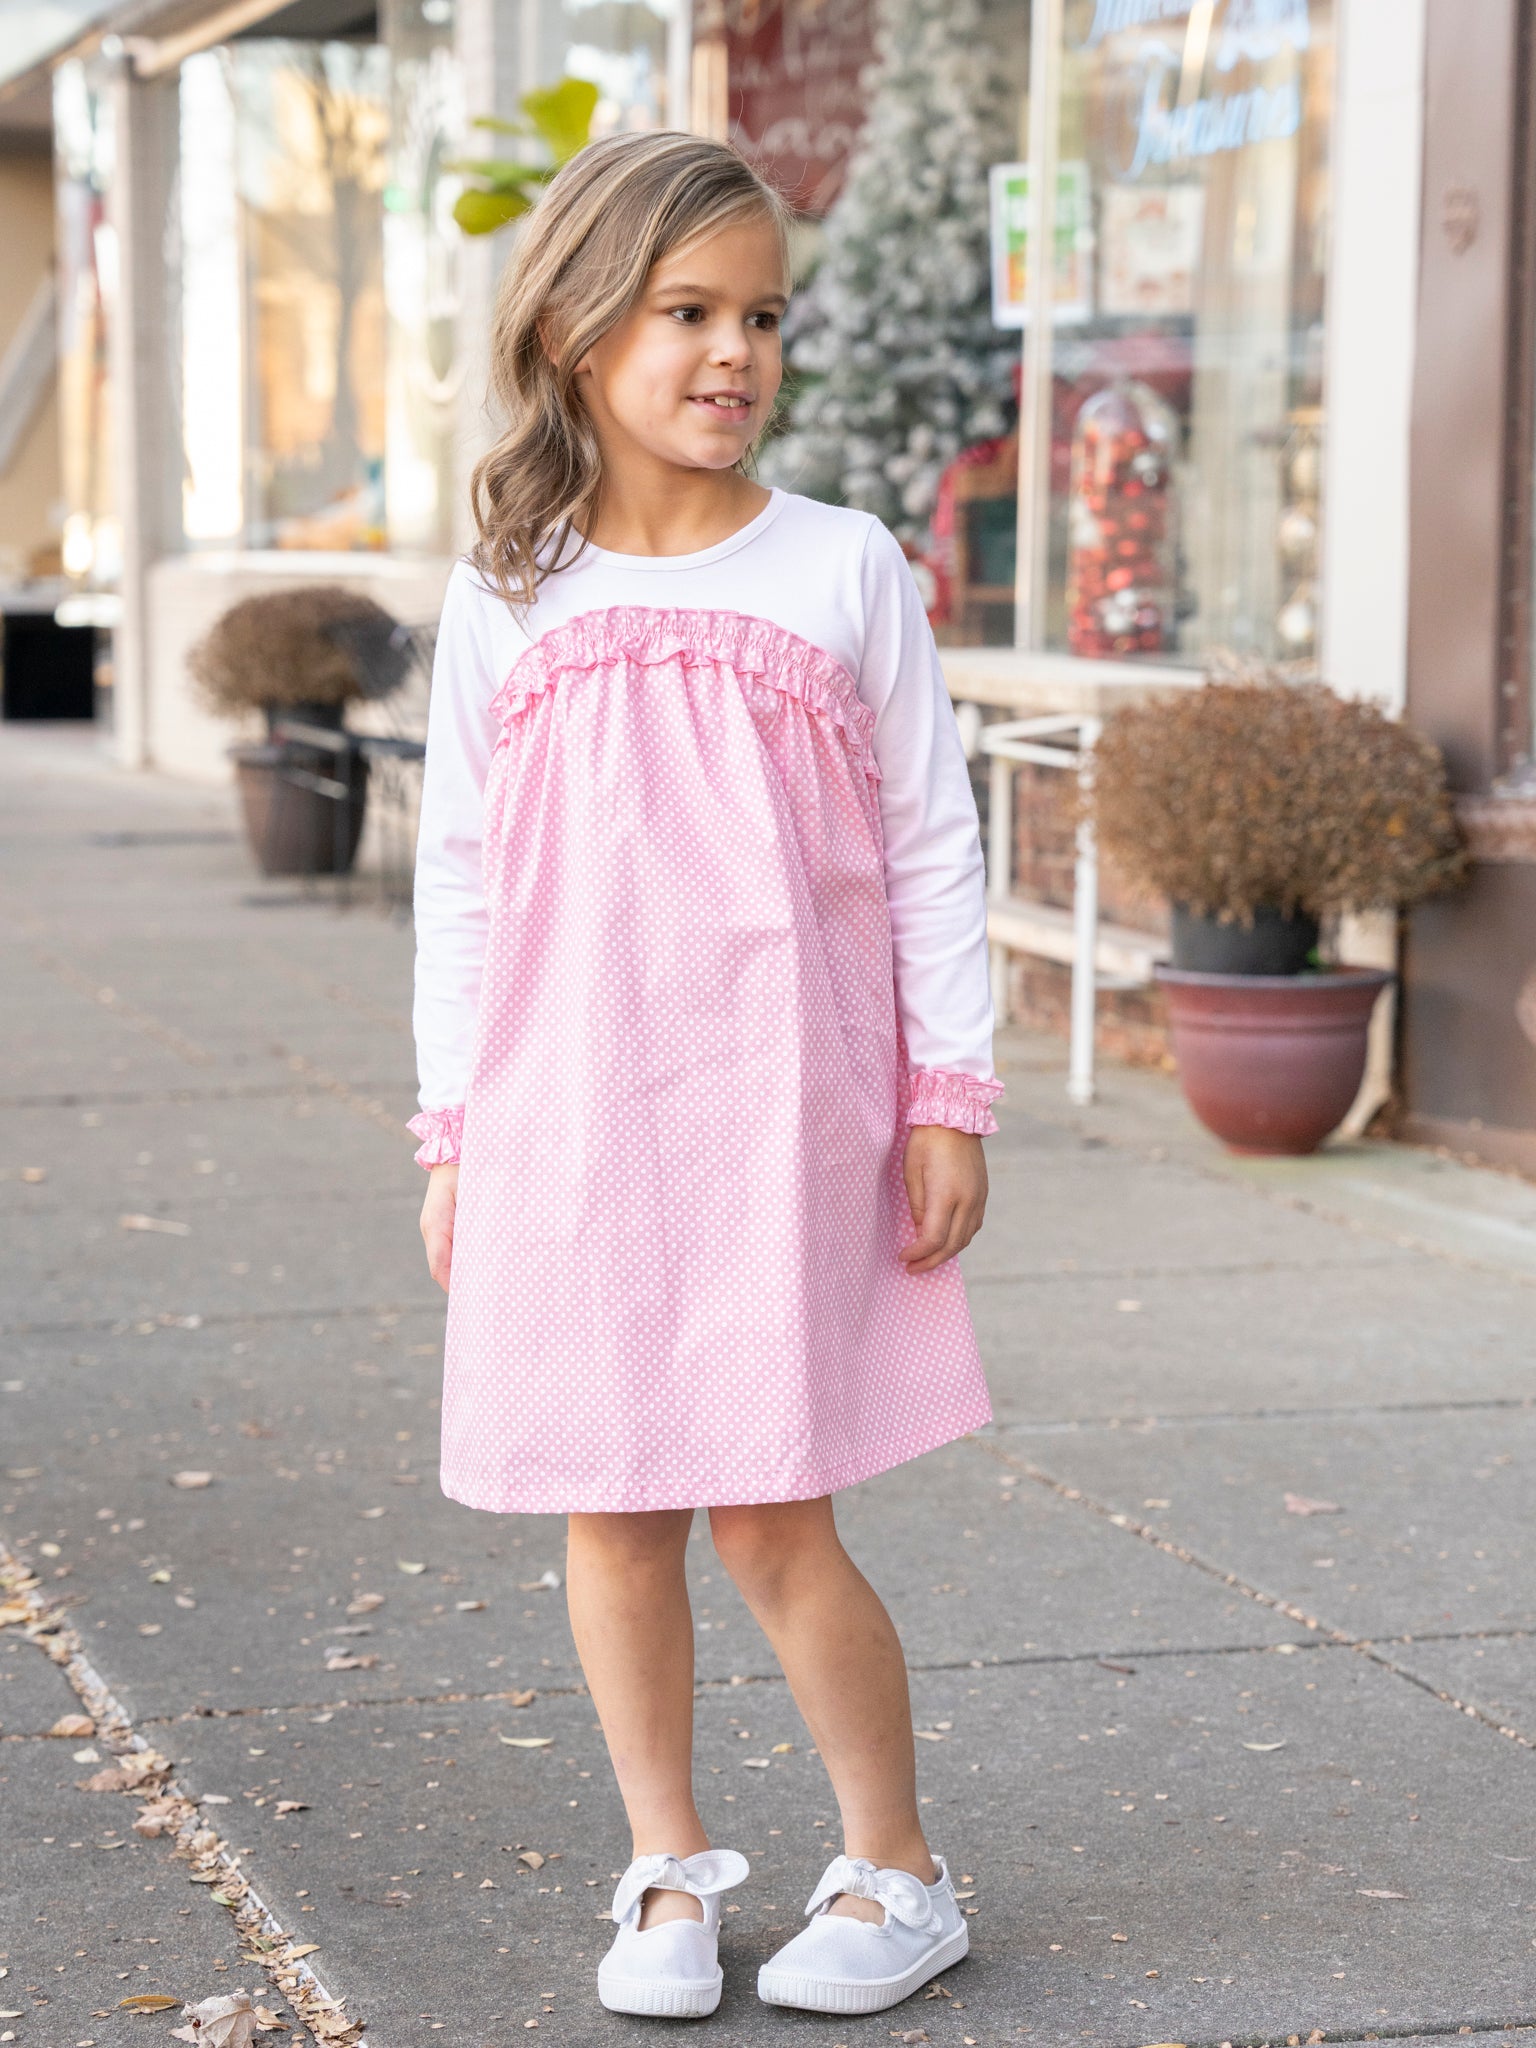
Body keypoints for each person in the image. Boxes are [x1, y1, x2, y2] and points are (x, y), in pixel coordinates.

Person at [407, 128, 1004, 2022]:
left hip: (781, 1115)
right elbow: (459, 877)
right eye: (687, 312)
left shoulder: (840, 567)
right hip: (572, 1118)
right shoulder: (511, 590)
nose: (736, 352)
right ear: (577, 330)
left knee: (771, 1511)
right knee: (611, 1506)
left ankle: (899, 1870)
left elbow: (932, 845)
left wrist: (948, 1093)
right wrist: (453, 1130)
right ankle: (664, 1867)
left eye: (764, 317)